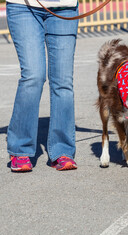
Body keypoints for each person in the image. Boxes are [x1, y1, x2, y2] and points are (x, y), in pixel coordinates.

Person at [6, 0, 79, 172]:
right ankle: (20, 148)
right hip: (22, 6)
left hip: (65, 8)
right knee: (33, 76)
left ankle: (62, 150)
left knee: (63, 81)